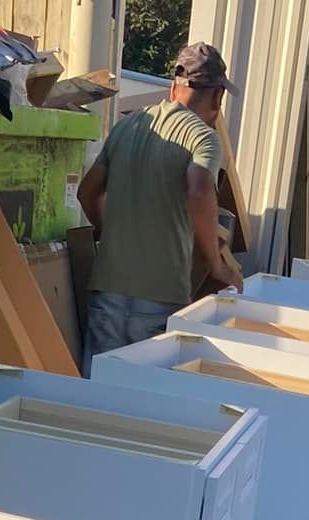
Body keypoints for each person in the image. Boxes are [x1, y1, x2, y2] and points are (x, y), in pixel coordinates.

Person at [77, 42, 241, 368]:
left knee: (93, 403)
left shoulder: (128, 126)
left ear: (173, 87)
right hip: (159, 298)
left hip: (106, 292)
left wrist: (111, 233)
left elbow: (86, 193)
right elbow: (199, 190)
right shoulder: (204, 138)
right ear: (218, 97)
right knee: (141, 410)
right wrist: (216, 263)